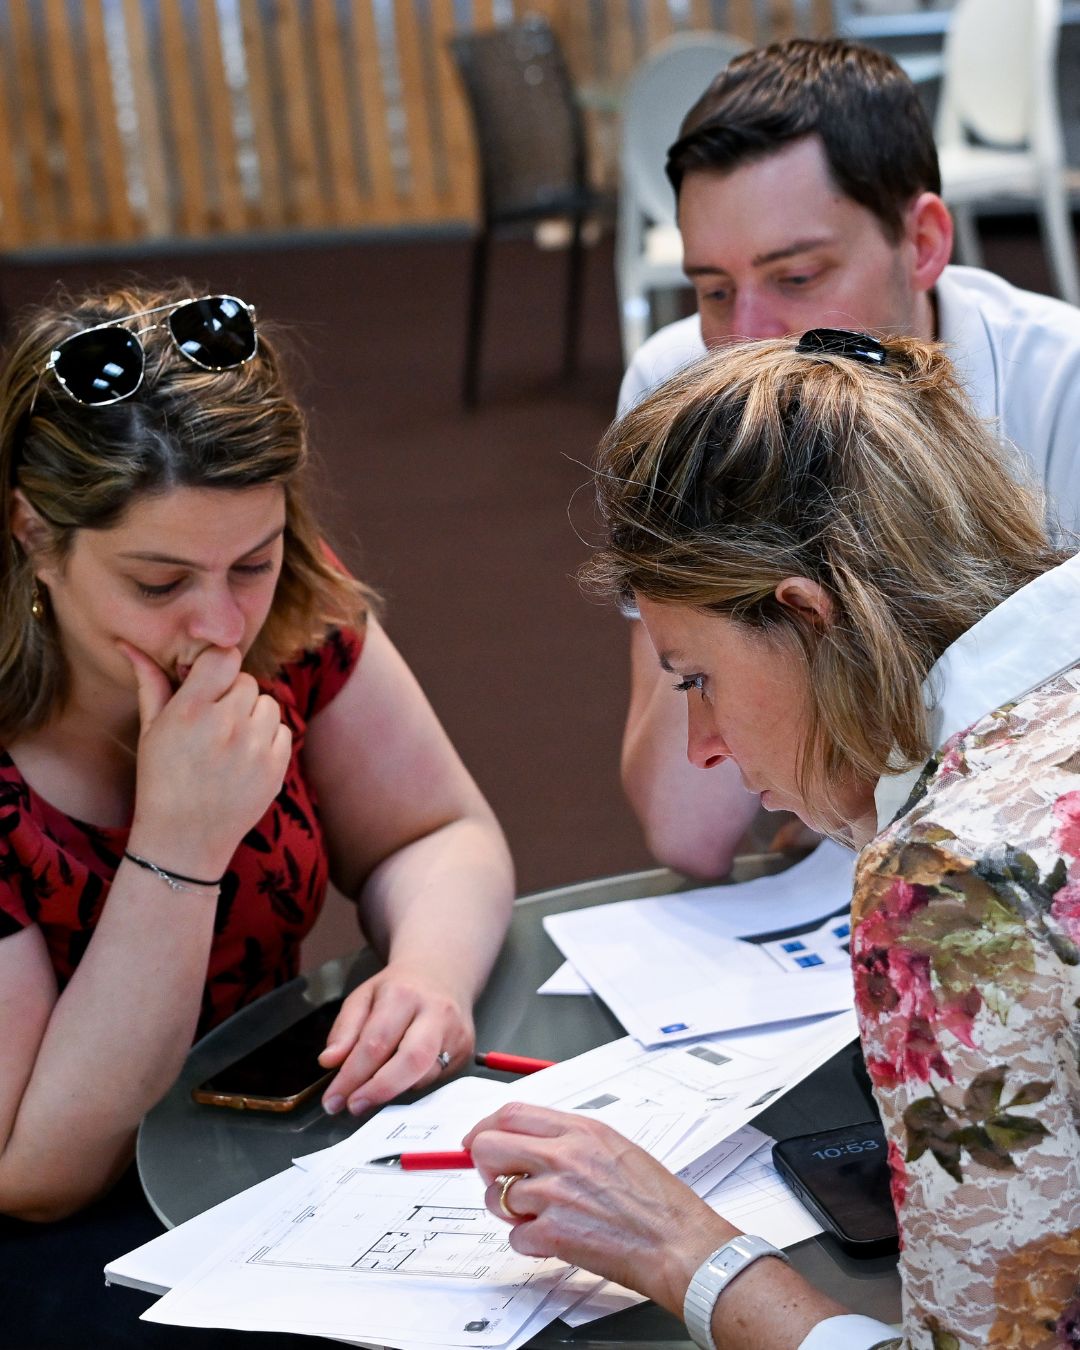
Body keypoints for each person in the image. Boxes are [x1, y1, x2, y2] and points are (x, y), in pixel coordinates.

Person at [465, 330, 1080, 1349]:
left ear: (805, 618)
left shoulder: (952, 876)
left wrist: (682, 1251)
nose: (703, 746)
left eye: (695, 679)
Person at [0, 282, 514, 1230]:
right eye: (159, 582)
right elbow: (33, 1172)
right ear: (34, 535)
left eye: (253, 561)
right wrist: (178, 849)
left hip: (258, 1153)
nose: (223, 624)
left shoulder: (288, 614)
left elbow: (439, 832)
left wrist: (429, 973)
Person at [619, 37, 1080, 881]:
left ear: (926, 242)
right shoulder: (680, 380)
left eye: (796, 276)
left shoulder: (1064, 382)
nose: (749, 337)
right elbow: (687, 829)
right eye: (714, 291)